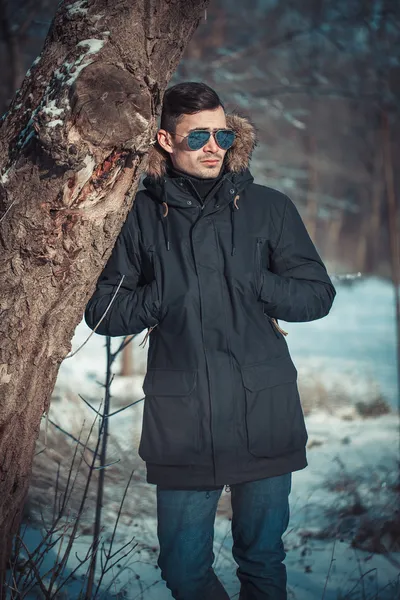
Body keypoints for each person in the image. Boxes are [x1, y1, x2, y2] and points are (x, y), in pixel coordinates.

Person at [85, 82, 336, 600]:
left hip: (264, 413)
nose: (213, 146)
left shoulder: (269, 208)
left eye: (222, 133)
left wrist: (257, 281)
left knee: (263, 562)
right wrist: (162, 296)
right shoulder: (137, 215)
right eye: (198, 135)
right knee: (181, 568)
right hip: (182, 425)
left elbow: (317, 296)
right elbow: (102, 311)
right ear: (164, 139)